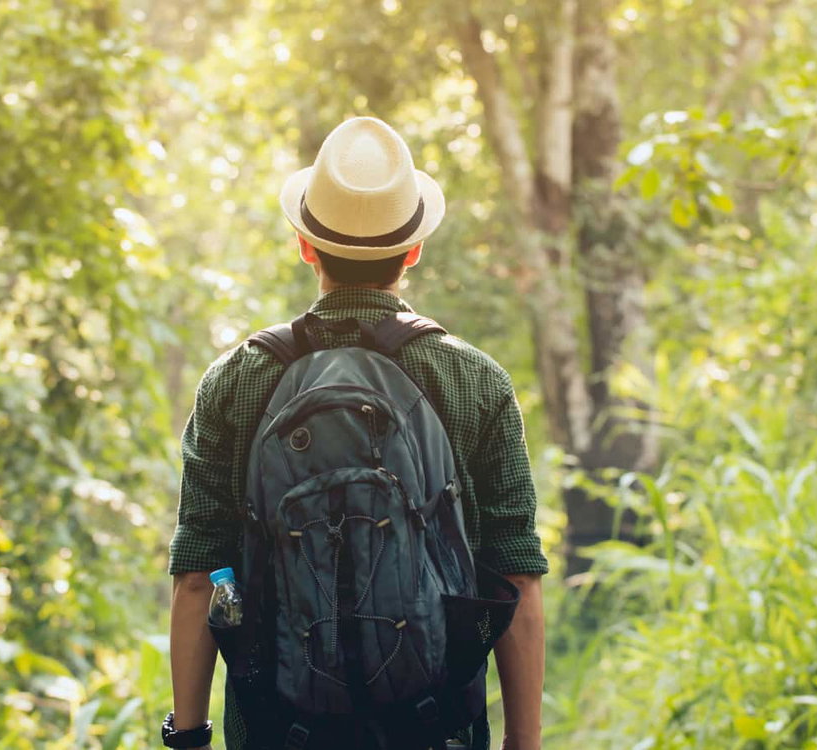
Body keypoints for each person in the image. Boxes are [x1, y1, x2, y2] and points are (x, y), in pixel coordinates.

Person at [164, 116, 547, 750]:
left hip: (275, 729)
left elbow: (199, 576)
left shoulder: (236, 381)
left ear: (305, 245)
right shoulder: (475, 380)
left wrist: (190, 734)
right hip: (436, 730)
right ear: (414, 250)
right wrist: (523, 743)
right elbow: (516, 577)